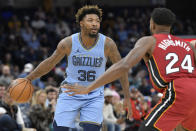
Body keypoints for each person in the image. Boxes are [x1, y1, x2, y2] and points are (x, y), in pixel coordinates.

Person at [63, 8, 196, 131]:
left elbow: (124, 65)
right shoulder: (188, 44)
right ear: (171, 26)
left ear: (152, 24)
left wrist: (89, 87)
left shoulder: (149, 40)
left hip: (178, 90)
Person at [10, 5, 131, 131]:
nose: (95, 24)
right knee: (60, 129)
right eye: (90, 20)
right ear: (81, 23)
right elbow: (50, 63)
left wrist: (127, 96)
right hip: (70, 92)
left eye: (97, 21)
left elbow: (121, 69)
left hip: (94, 93)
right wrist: (29, 78)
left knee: (91, 129)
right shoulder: (68, 43)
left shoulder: (108, 44)